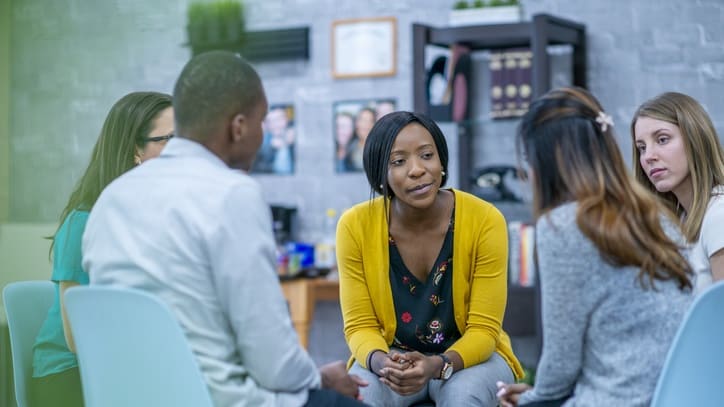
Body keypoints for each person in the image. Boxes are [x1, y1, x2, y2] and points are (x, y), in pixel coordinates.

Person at [81, 51, 367, 407]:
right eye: (261, 121)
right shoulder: (232, 193)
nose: (262, 135)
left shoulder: (112, 198)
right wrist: (319, 378)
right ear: (239, 127)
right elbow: (272, 361)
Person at [497, 87, 693, 407]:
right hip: (680, 396)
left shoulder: (562, 227)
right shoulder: (656, 213)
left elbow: (561, 362)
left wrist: (533, 398)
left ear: (546, 162)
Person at [337, 110, 524, 406]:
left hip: (468, 359)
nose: (417, 170)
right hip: (391, 359)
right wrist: (382, 363)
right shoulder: (354, 226)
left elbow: (484, 330)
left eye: (427, 155)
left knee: (463, 396)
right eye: (399, 162)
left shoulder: (485, 220)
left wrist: (439, 365)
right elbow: (360, 325)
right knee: (364, 395)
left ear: (441, 161)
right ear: (379, 174)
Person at [31, 91, 174, 407]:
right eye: (169, 140)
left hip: (120, 367)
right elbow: (75, 340)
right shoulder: (84, 220)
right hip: (68, 376)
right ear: (136, 149)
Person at [632, 92, 724, 295]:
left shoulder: (719, 215)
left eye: (662, 139)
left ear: (695, 138)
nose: (648, 157)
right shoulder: (677, 220)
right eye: (642, 148)